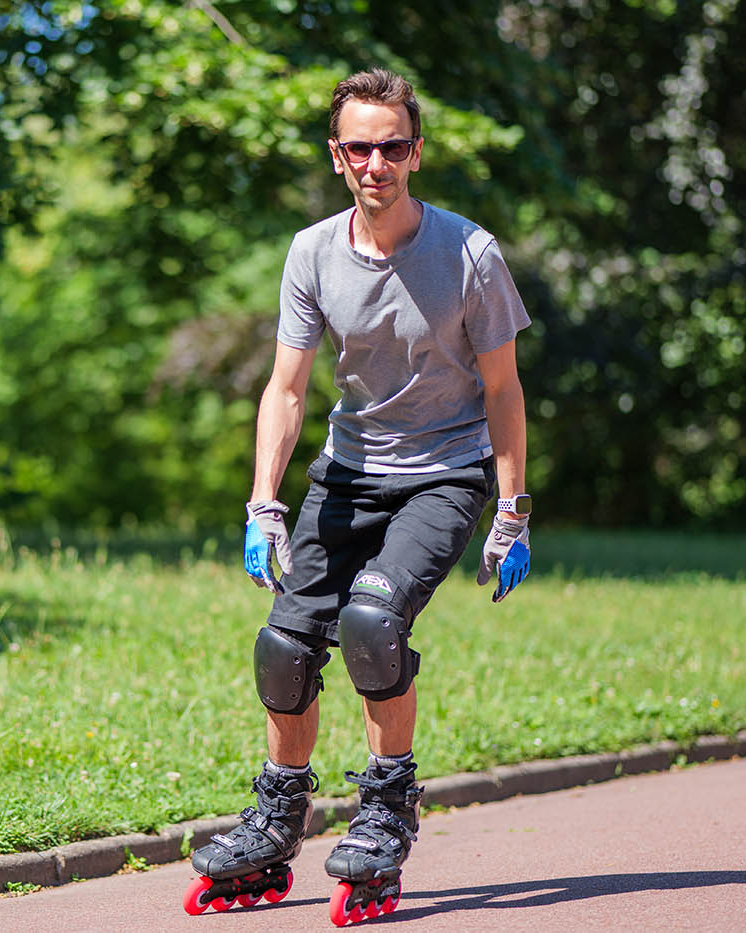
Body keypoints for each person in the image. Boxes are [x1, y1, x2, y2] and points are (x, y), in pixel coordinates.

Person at [183, 68, 534, 924]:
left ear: (416, 153)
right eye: (360, 147)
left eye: (393, 146)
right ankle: (277, 813)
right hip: (345, 473)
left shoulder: (470, 254)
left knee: (373, 623)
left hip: (444, 474)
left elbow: (503, 392)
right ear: (337, 156)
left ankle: (385, 806)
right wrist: (263, 500)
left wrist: (512, 511)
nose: (377, 162)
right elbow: (288, 387)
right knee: (284, 645)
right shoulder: (311, 252)